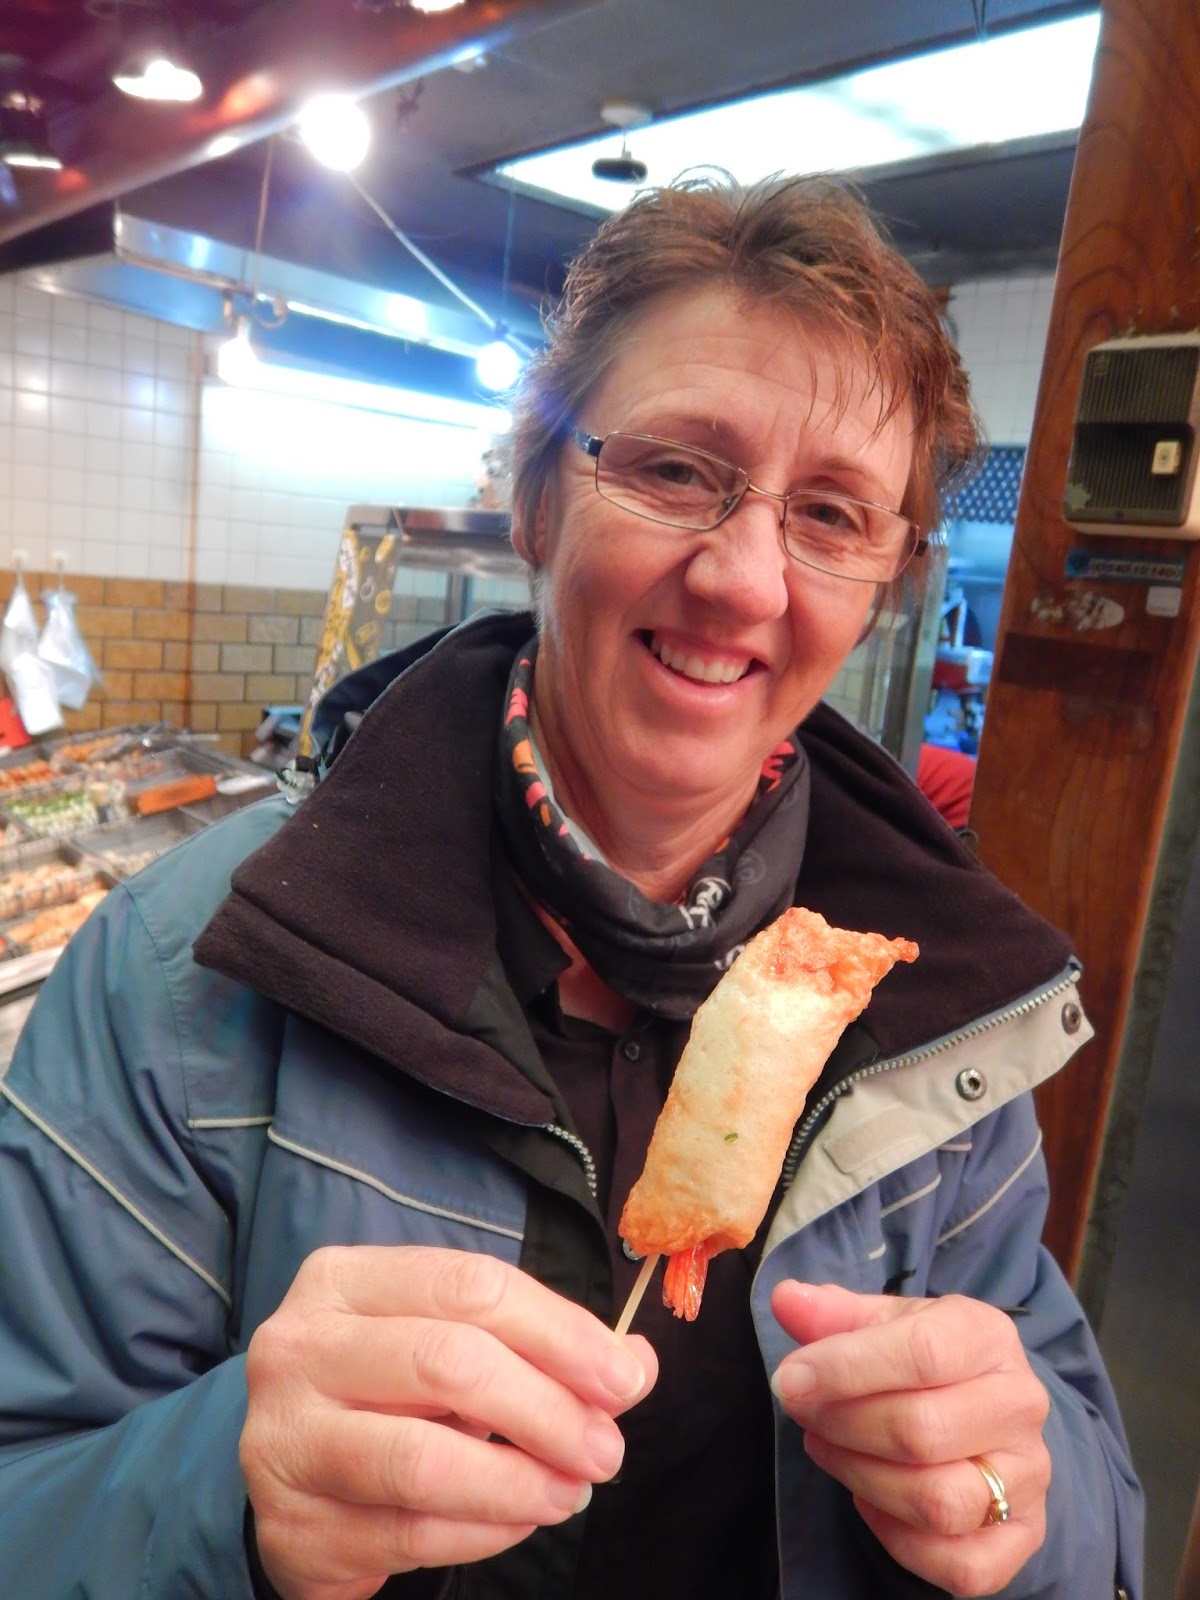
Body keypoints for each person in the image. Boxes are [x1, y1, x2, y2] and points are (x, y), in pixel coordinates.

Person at [0, 175, 1142, 1600]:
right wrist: (226, 1490)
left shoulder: (944, 1017)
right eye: (677, 471)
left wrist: (1021, 1513)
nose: (743, 580)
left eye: (833, 515)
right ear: (537, 500)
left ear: (881, 589)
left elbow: (1094, 1511)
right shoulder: (183, 972)